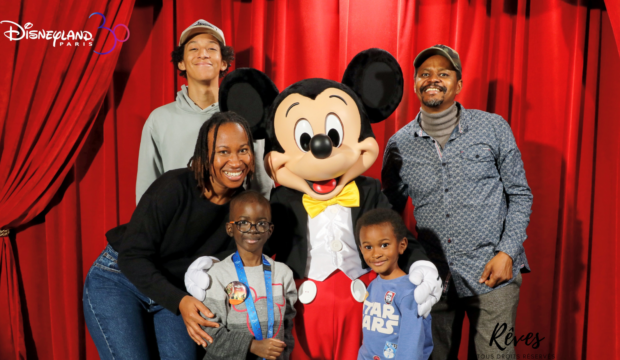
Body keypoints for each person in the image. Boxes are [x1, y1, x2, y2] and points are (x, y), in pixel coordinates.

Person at [382, 44, 533, 358]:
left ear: (459, 84)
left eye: (443, 73)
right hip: (434, 283)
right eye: (425, 74)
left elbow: (520, 195)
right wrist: (409, 264)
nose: (433, 79)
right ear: (414, 84)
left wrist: (507, 252)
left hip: (494, 278)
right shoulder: (399, 145)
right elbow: (390, 215)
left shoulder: (493, 128)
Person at [83, 112, 256, 360]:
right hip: (121, 280)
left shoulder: (245, 210)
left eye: (243, 150)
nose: (236, 161)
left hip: (176, 291)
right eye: (223, 152)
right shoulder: (173, 187)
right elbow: (132, 256)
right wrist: (181, 301)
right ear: (205, 156)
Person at [136, 19, 273, 204]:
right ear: (181, 63)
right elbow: (147, 190)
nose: (203, 54)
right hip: (178, 227)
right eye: (193, 49)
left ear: (224, 62)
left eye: (212, 49)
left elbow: (260, 183)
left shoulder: (244, 117)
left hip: (232, 224)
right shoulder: (159, 120)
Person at [200, 190, 296, 360]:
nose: (253, 230)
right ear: (230, 228)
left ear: (270, 230)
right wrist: (251, 345)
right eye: (243, 222)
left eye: (261, 223)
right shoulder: (218, 274)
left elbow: (287, 326)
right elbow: (209, 331)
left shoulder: (282, 273)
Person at [356, 208, 433, 360]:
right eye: (368, 247)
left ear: (402, 245)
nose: (376, 254)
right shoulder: (372, 285)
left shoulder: (409, 292)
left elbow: (412, 344)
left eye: (384, 245)